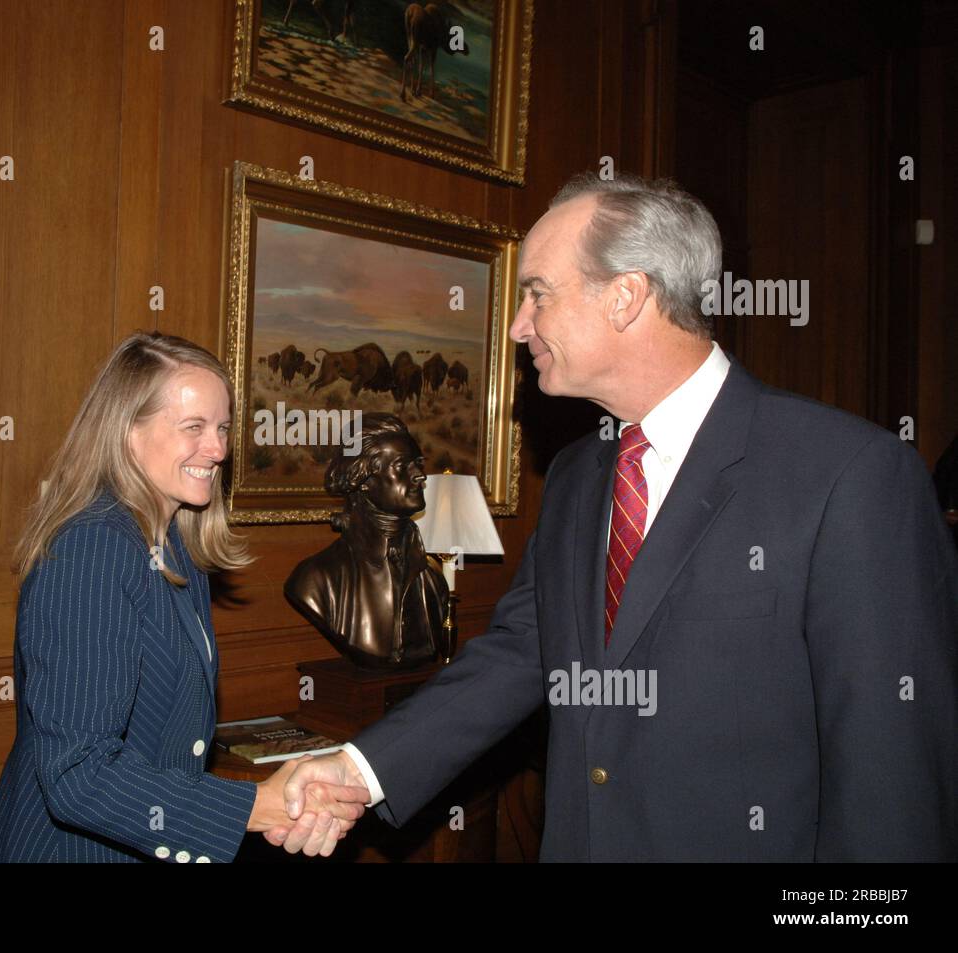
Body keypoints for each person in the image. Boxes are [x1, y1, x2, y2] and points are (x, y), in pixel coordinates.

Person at [269, 172, 958, 861]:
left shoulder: (849, 474)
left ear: (626, 296)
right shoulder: (577, 474)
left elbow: (891, 781)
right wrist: (361, 769)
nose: (518, 324)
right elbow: (523, 653)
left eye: (538, 293)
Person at [0, 331, 370, 862]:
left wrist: (280, 799)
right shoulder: (91, 551)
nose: (219, 449)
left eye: (223, 427)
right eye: (194, 428)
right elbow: (78, 772)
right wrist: (256, 807)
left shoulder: (176, 546)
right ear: (127, 434)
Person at [284, 412, 447, 668]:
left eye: (419, 464)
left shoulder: (433, 577)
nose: (420, 476)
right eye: (402, 466)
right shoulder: (314, 581)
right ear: (361, 480)